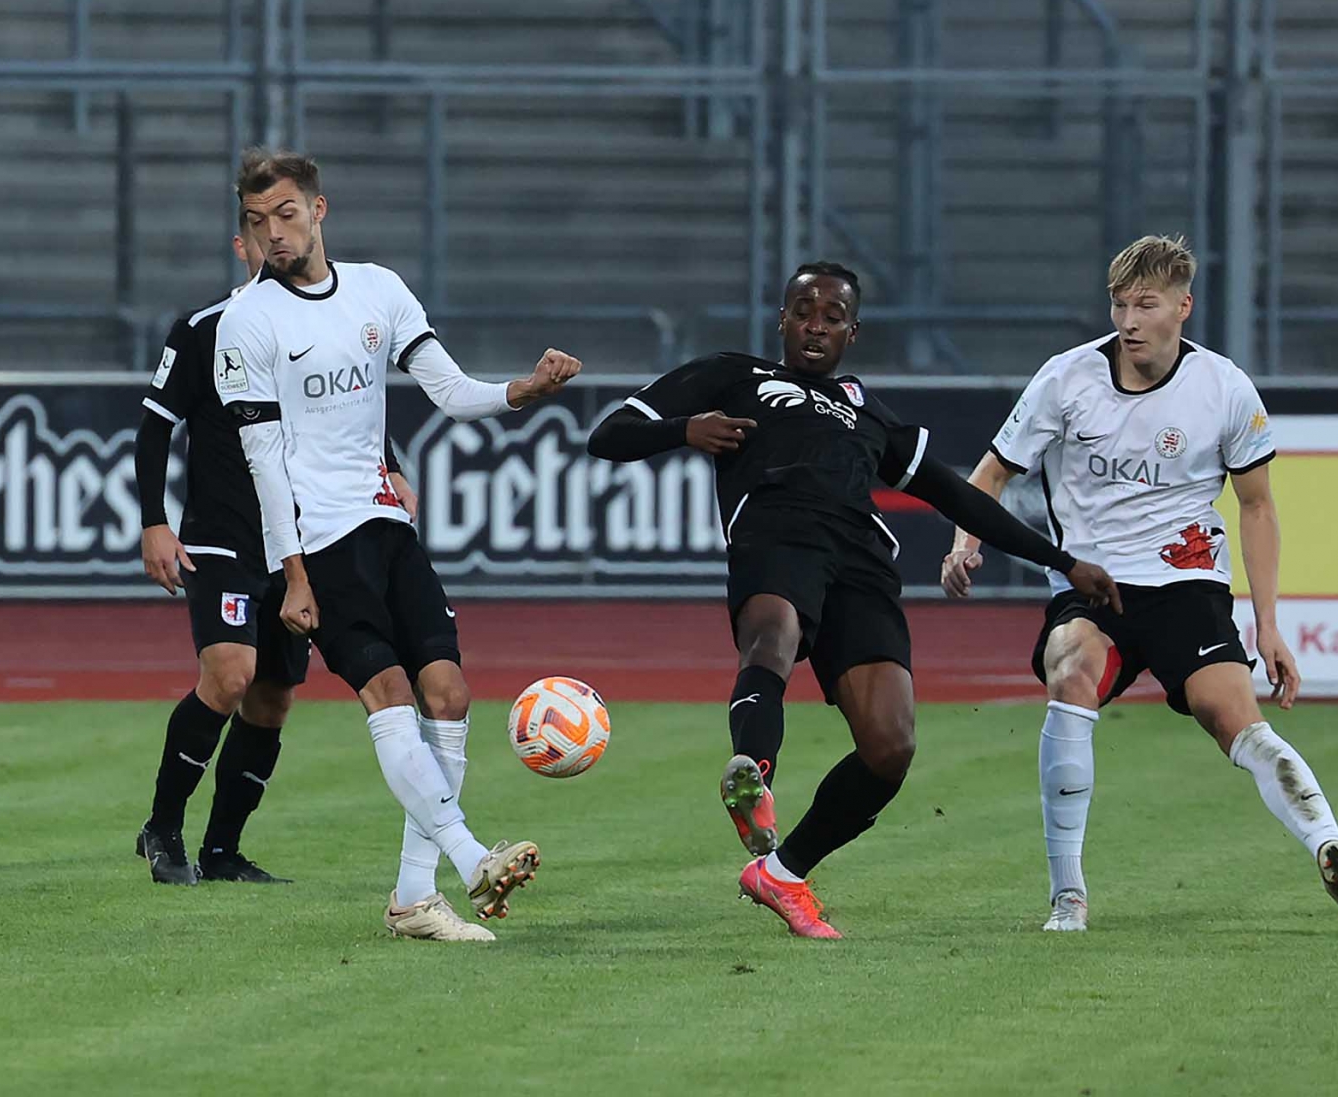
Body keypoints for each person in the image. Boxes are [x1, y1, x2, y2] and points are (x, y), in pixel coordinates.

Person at [587, 261, 1122, 939]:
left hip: (863, 561)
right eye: (803, 311)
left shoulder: (868, 411)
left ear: (853, 331)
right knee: (772, 634)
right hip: (777, 528)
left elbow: (956, 495)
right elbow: (606, 434)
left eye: (832, 316)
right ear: (781, 319)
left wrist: (1063, 560)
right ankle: (753, 774)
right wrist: (684, 428)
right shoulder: (734, 374)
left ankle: (781, 873)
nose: (816, 325)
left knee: (891, 745)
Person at [941, 234, 1338, 932]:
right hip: (1092, 584)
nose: (1129, 320)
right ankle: (1069, 895)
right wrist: (965, 539)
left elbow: (1258, 506)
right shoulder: (1066, 377)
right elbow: (992, 473)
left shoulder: (1225, 388)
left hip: (1186, 587)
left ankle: (1330, 845)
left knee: (1235, 719)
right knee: (1072, 669)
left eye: (1146, 305)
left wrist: (1268, 625)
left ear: (1184, 306)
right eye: (1119, 304)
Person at [212, 147, 580, 942]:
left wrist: (522, 390)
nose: (273, 234)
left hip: (388, 525)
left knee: (448, 694)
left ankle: (414, 898)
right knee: (387, 696)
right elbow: (263, 461)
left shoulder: (380, 289)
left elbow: (448, 390)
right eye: (254, 221)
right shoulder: (246, 320)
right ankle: (470, 851)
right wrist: (293, 574)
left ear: (318, 209)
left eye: (284, 213)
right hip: (320, 538)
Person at [133, 226, 416, 886]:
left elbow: (351, 410)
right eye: (264, 233)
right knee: (230, 674)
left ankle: (223, 851)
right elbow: (154, 426)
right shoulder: (205, 327)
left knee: (271, 700)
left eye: (288, 229)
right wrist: (154, 522)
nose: (277, 244)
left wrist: (390, 465)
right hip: (222, 537)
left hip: (303, 539)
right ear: (243, 246)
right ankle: (163, 827)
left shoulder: (324, 320)